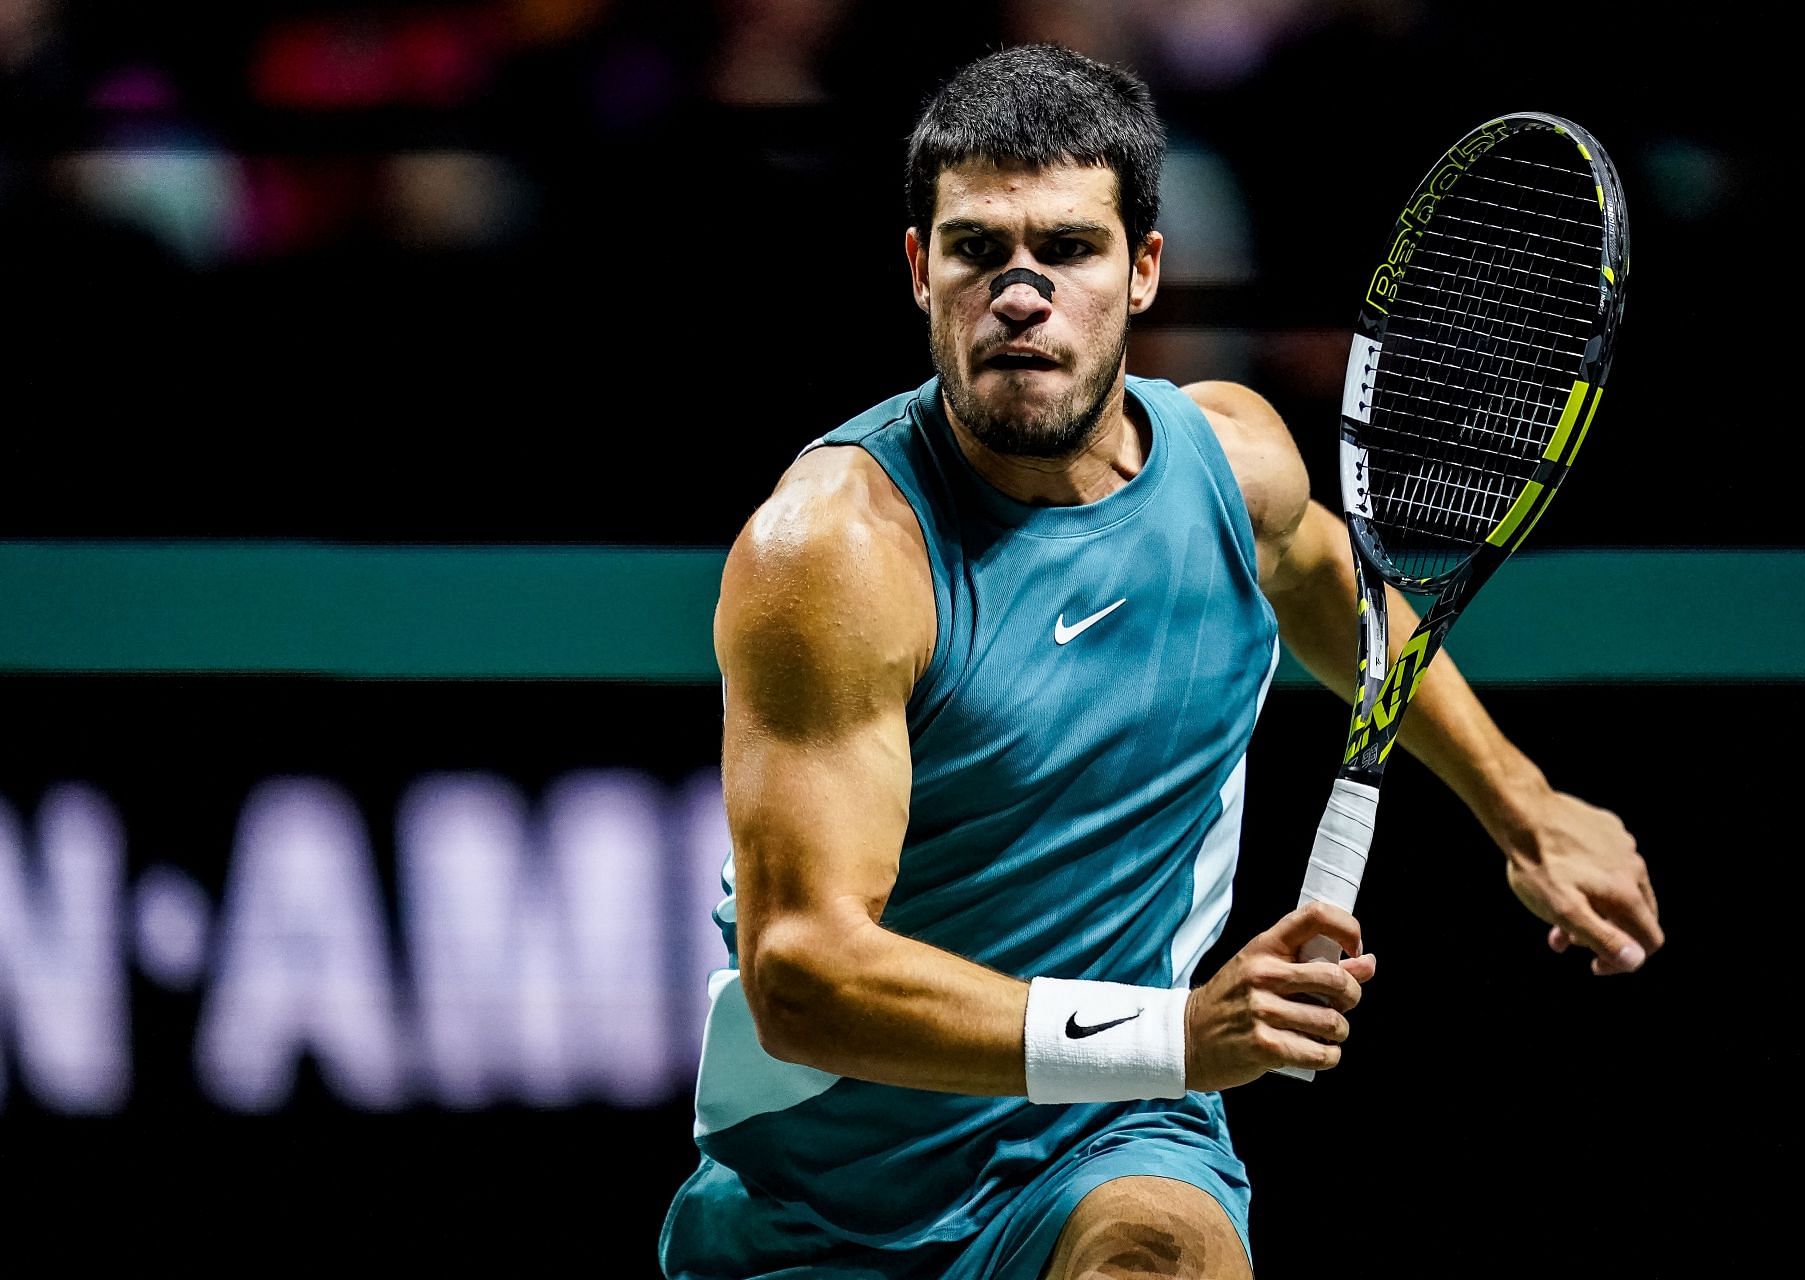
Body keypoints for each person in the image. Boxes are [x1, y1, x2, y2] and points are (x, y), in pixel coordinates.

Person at [658, 42, 1663, 1280]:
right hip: (822, 1198)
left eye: (1070, 249)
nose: (1020, 291)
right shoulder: (835, 554)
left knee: (1161, 1260)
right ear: (920, 271)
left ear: (1141, 272)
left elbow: (1344, 599)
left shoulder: (1238, 465)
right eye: (977, 248)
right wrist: (1175, 1031)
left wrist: (1527, 807)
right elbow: (804, 974)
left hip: (1115, 1132)